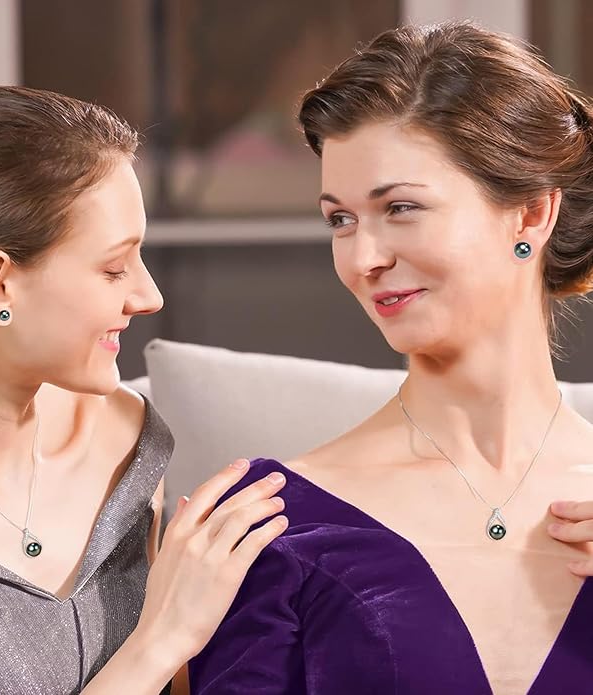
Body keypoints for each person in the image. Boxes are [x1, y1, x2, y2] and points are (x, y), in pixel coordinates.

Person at [189, 21, 593, 694]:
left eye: (401, 208)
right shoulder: (274, 522)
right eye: (340, 220)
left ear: (529, 214)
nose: (363, 259)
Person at [0, 85, 290, 695]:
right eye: (113, 268)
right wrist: (163, 636)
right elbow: (159, 650)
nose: (148, 296)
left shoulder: (124, 436)